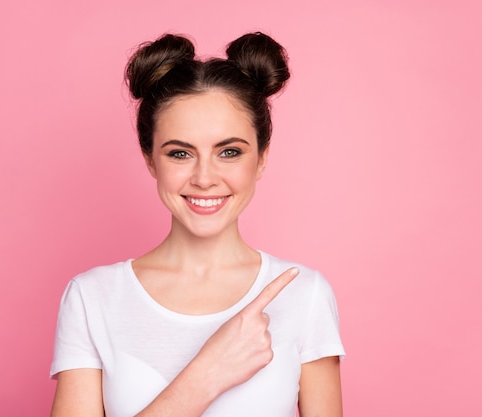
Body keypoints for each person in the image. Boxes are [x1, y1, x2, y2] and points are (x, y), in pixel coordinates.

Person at [49, 32, 345, 417]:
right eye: (180, 153)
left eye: (229, 152)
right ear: (150, 159)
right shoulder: (92, 298)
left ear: (261, 158)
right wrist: (206, 375)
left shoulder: (305, 296)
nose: (205, 177)